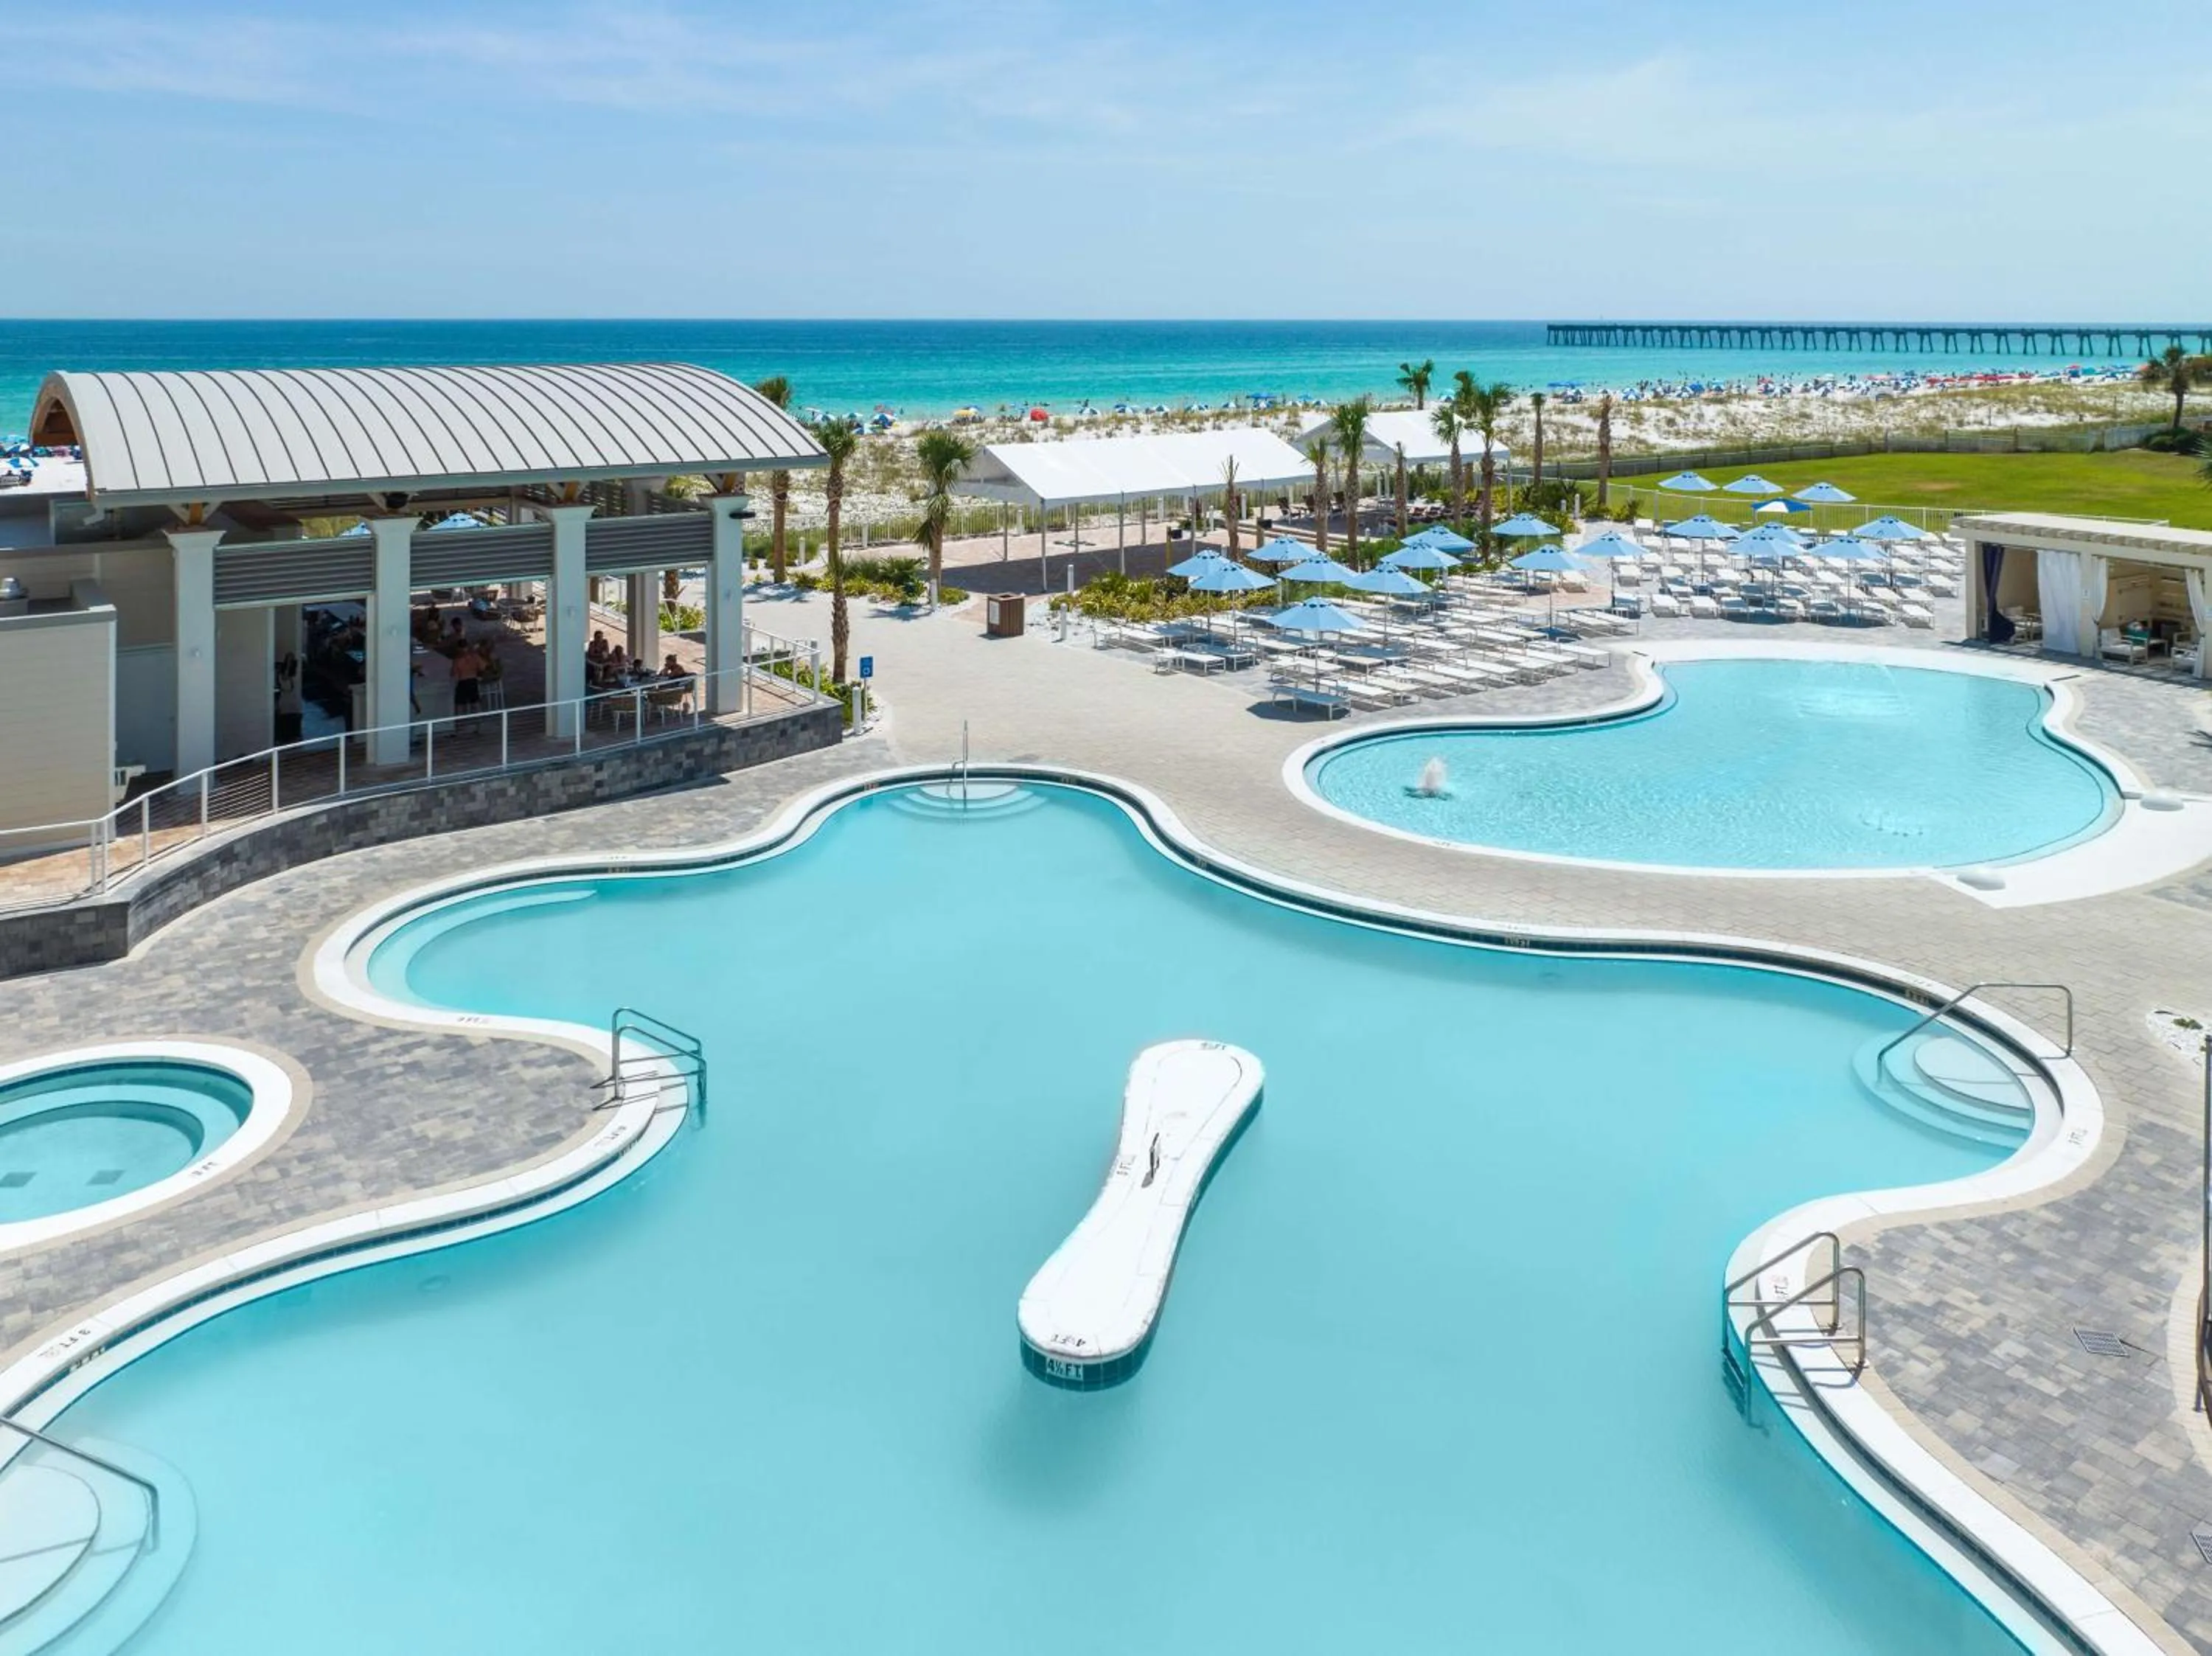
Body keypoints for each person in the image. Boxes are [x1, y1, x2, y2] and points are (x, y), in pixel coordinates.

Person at [451, 637, 481, 711]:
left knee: (460, 703)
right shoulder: (474, 657)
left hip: (463, 682)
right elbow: (482, 667)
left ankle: (460, 721)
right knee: (475, 702)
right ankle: (478, 720)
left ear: (458, 648)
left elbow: (453, 673)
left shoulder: (457, 660)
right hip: (473, 681)